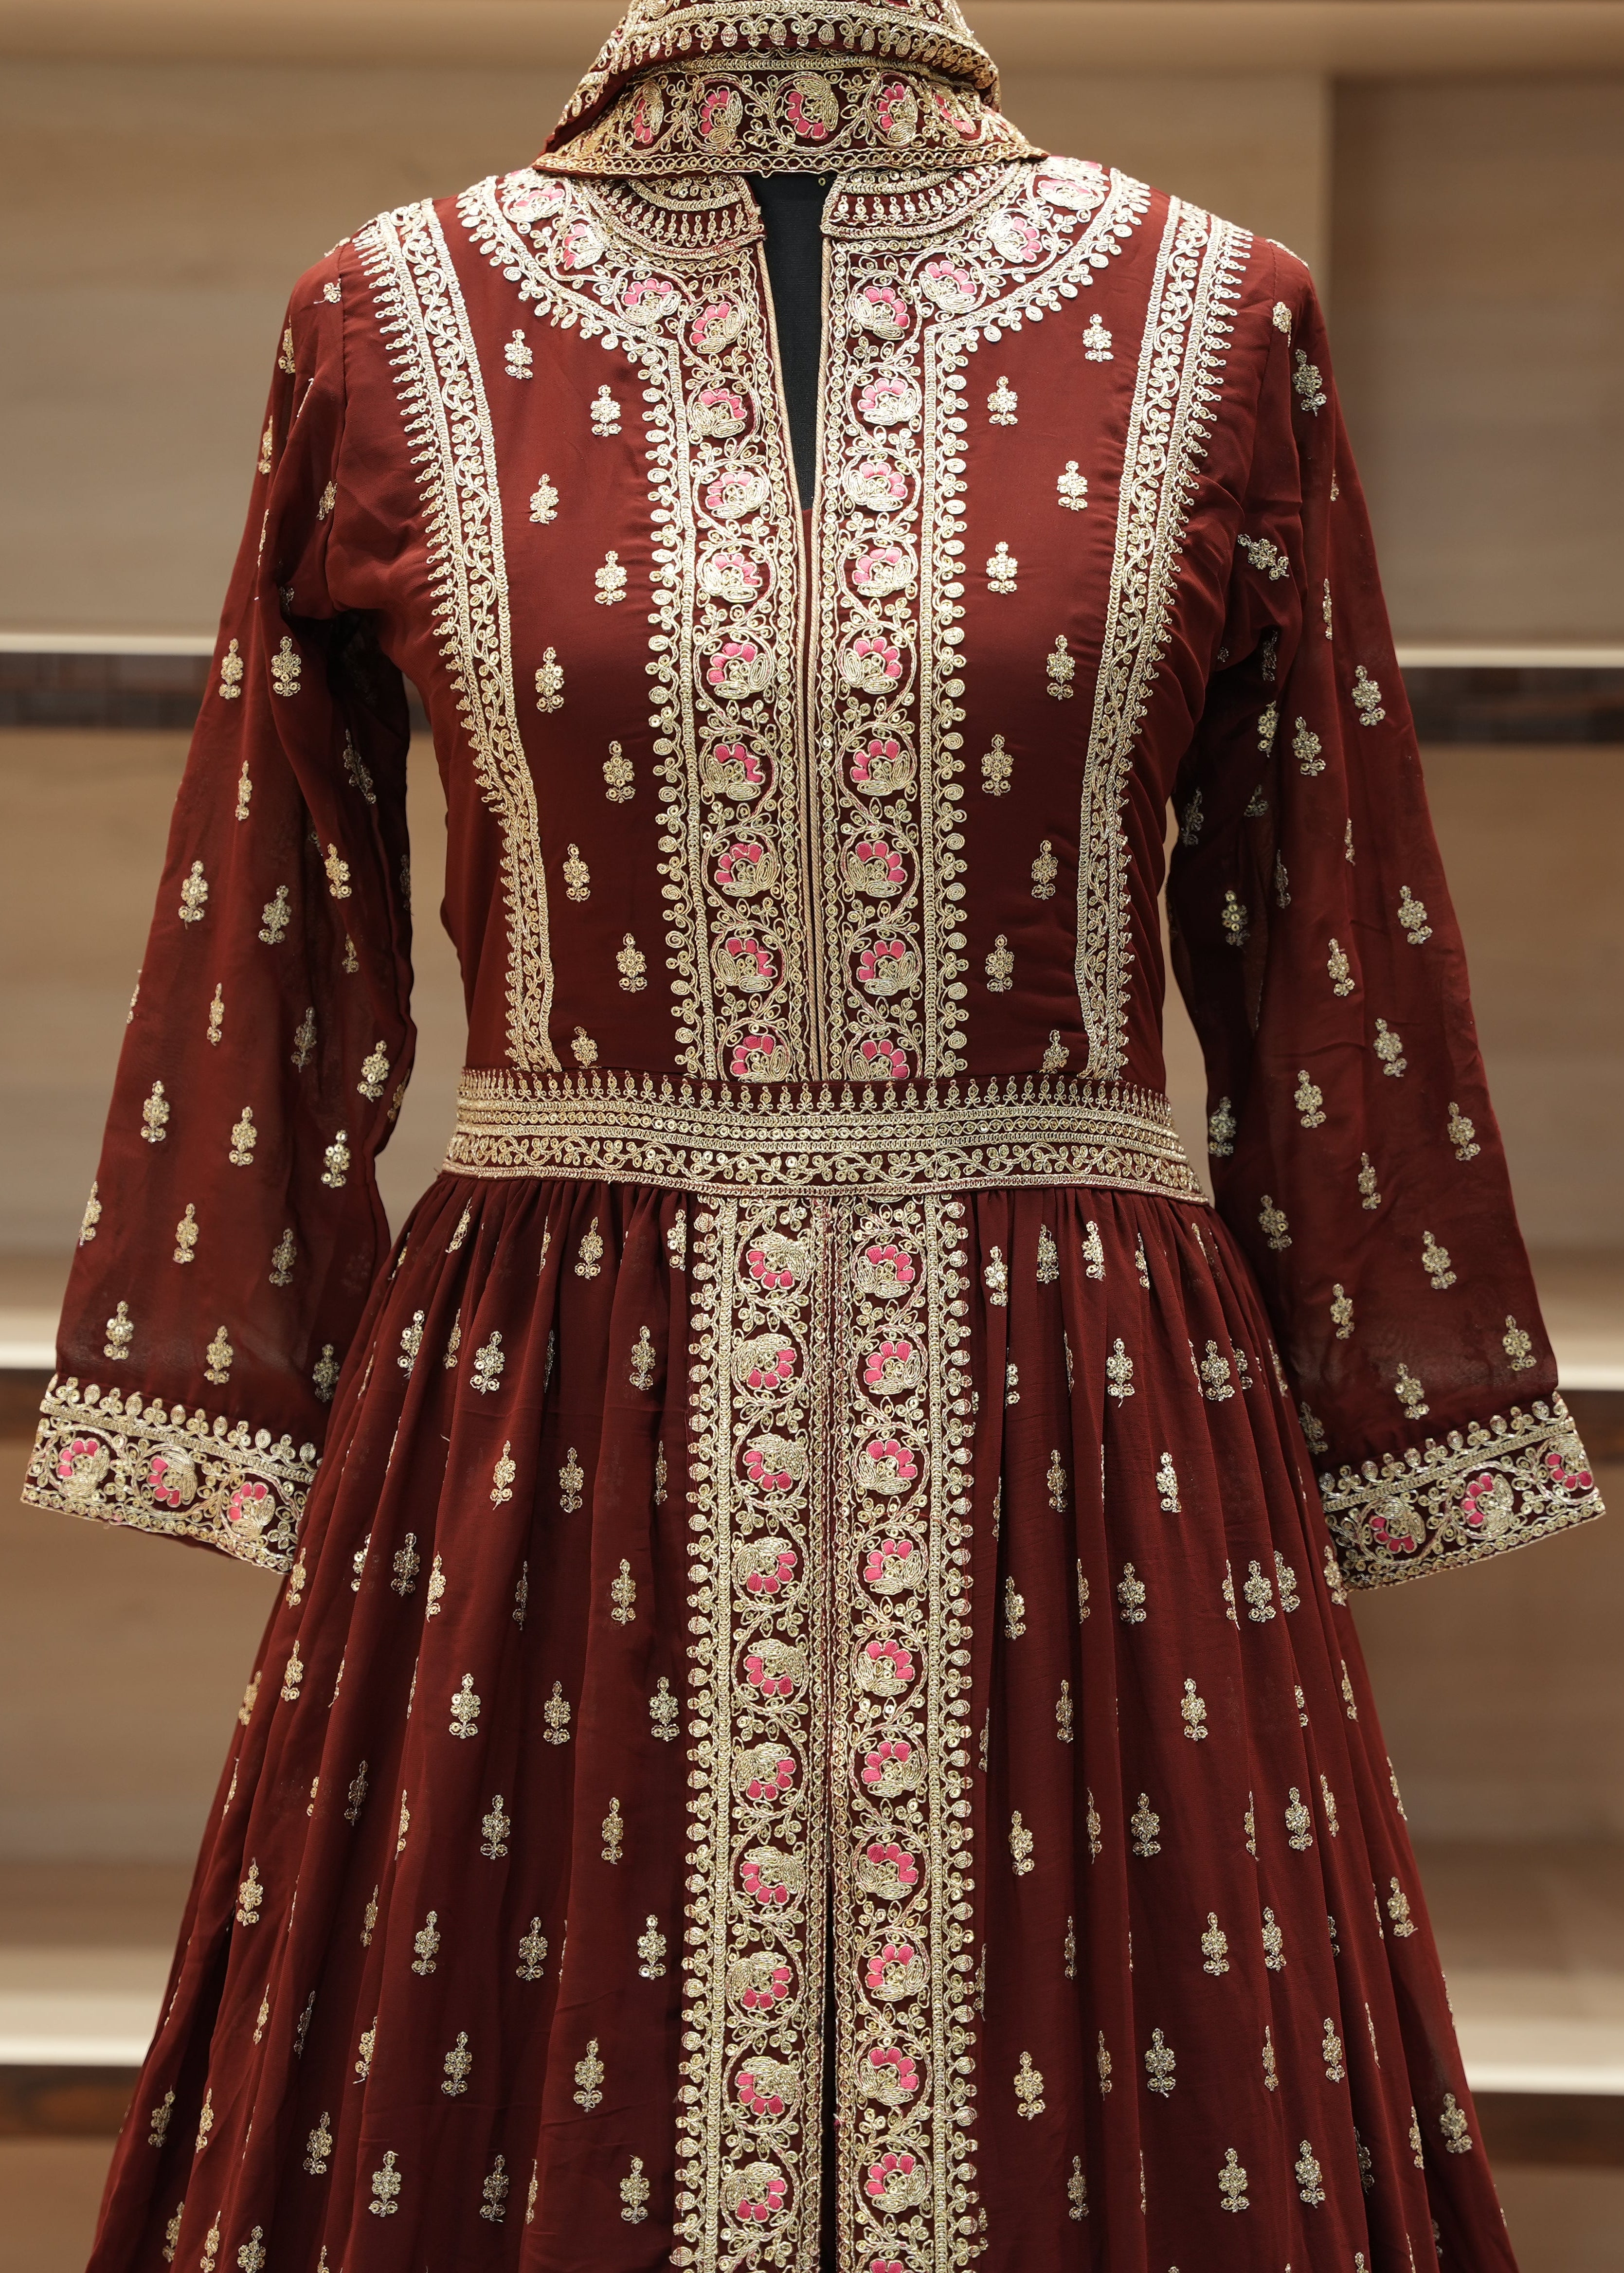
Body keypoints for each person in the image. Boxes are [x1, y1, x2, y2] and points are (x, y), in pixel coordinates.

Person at [26, 4, 1599, 2267]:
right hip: (555, 1395)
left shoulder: (1221, 312)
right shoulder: (383, 315)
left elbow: (1327, 905)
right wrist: (223, 1365)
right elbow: (270, 893)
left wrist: (1390, 1395)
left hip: (1086, 1407)